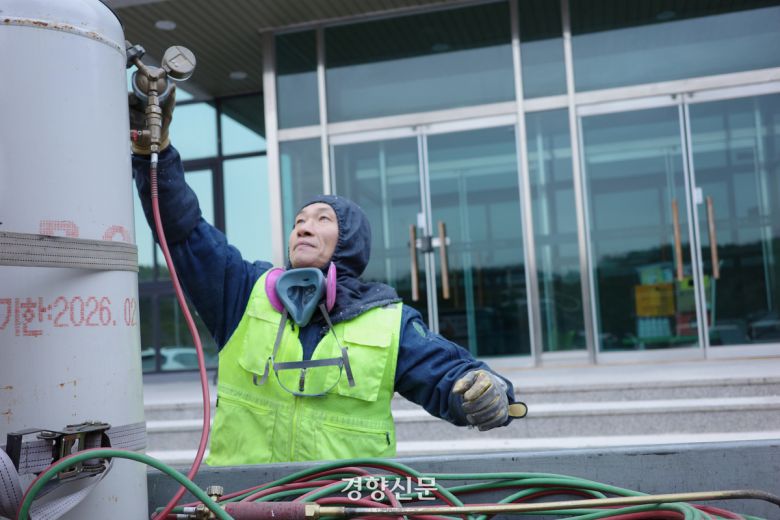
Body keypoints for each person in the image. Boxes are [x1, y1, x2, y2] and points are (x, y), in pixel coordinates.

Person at [130, 88, 521, 465]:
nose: (303, 227)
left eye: (322, 220)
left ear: (350, 241)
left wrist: (484, 391)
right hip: (242, 503)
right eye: (298, 221)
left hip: (346, 505)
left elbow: (449, 375)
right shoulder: (242, 293)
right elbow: (184, 231)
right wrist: (156, 154)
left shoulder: (390, 323)